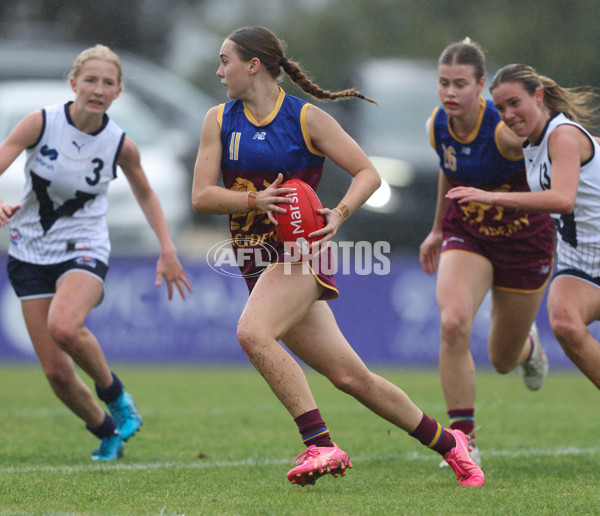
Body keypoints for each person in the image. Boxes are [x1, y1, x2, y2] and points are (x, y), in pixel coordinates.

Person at [191, 25, 484, 487]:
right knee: (352, 377)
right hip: (256, 261)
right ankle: (453, 445)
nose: (218, 69)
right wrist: (254, 202)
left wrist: (340, 212)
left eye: (225, 60)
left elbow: (368, 172)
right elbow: (202, 197)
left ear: (253, 65)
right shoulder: (218, 120)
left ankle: (320, 445)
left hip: (300, 257)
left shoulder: (306, 119)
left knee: (252, 333)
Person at [0, 44, 192, 461]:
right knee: (56, 372)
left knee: (65, 328)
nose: (98, 88)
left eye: (108, 82)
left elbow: (146, 194)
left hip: (84, 247)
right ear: (74, 84)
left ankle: (117, 396)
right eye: (91, 80)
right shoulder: (41, 122)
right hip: (29, 251)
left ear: (118, 93)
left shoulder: (120, 144)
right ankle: (107, 431)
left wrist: (167, 248)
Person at [419, 40, 556, 465]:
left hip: (524, 240)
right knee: (453, 322)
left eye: (461, 84)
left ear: (481, 86)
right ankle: (463, 442)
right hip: (470, 233)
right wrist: (439, 227)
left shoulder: (504, 131)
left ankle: (528, 350)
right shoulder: (437, 125)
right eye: (444, 83)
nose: (450, 93)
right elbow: (450, 170)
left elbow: (554, 142)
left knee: (501, 359)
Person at [447, 63, 600, 394]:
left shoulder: (562, 135)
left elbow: (562, 200)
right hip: (581, 264)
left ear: (539, 96)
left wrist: (491, 198)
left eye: (515, 103)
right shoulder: (533, 143)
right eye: (500, 107)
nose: (508, 114)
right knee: (564, 323)